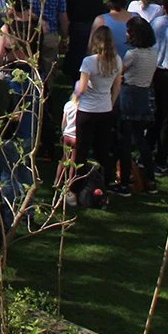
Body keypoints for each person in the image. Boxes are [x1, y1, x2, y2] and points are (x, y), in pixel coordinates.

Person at [73, 25, 123, 205]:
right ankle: (104, 186)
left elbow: (83, 88)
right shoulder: (116, 60)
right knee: (103, 150)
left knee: (82, 151)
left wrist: (76, 90)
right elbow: (117, 86)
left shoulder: (89, 62)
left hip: (87, 110)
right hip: (105, 109)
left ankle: (78, 187)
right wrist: (110, 101)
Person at [117, 16, 158, 194]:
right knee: (140, 139)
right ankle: (150, 179)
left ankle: (125, 181)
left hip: (129, 94)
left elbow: (120, 73)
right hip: (143, 95)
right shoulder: (152, 53)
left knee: (125, 141)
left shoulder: (131, 55)